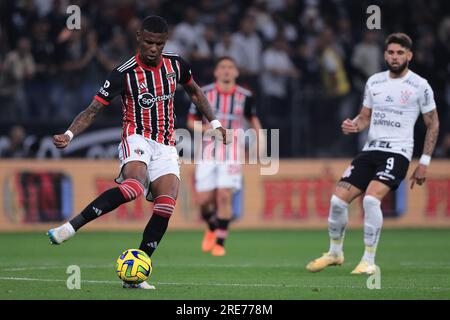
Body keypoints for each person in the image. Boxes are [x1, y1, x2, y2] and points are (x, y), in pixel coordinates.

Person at [47, 15, 227, 289]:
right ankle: (69, 228)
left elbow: (196, 92)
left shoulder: (176, 64)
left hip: (166, 144)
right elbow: (93, 109)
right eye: (148, 42)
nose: (153, 48)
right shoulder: (124, 73)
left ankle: (136, 274)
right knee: (132, 188)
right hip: (137, 137)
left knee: (166, 205)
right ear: (139, 39)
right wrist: (69, 134)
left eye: (159, 43)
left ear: (164, 42)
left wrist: (214, 123)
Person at [306, 33, 440, 274]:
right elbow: (365, 117)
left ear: (409, 55)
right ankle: (335, 253)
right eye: (391, 52)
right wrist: (353, 125)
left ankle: (369, 260)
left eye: (400, 53)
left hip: (397, 153)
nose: (395, 57)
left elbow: (433, 123)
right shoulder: (374, 82)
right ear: (385, 54)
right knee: (337, 201)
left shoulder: (420, 85)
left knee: (370, 199)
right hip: (370, 150)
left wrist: (425, 161)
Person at [187, 56, 262, 256]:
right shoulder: (204, 93)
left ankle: (220, 242)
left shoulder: (245, 95)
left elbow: (253, 120)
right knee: (204, 201)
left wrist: (258, 142)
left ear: (236, 72)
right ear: (216, 72)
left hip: (232, 152)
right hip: (208, 151)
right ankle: (211, 226)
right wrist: (211, 131)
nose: (227, 70)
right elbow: (190, 122)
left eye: (231, 67)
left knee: (224, 195)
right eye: (223, 67)